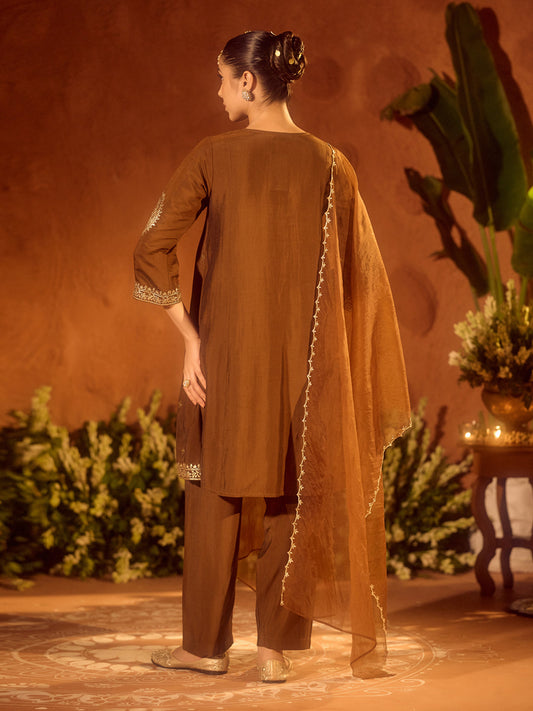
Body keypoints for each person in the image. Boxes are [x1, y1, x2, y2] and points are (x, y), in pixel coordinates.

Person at [133, 29, 410, 683]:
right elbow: (358, 279)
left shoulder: (213, 155)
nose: (218, 91)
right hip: (306, 363)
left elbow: (151, 246)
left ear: (250, 82)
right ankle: (273, 651)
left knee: (214, 494)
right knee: (291, 493)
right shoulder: (332, 165)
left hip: (225, 359)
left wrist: (191, 339)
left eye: (223, 78)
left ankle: (204, 648)